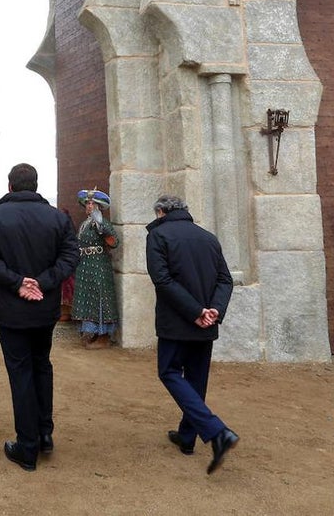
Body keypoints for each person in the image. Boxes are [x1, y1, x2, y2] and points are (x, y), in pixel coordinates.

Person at [0, 163, 79, 472]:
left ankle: (27, 445)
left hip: (11, 309)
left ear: (10, 187)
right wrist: (43, 282)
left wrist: (16, 281)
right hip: (45, 309)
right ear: (35, 186)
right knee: (41, 365)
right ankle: (44, 433)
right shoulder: (57, 218)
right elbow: (70, 256)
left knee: (21, 372)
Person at [145, 194, 238, 475]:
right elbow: (225, 279)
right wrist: (213, 311)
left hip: (178, 321)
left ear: (160, 212)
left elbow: (162, 279)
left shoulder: (158, 235)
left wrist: (196, 311)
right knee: (196, 380)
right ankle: (187, 437)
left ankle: (216, 431)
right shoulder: (208, 237)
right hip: (205, 322)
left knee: (169, 372)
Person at [71, 188, 119, 348]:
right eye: (88, 203)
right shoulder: (85, 223)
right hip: (85, 265)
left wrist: (101, 226)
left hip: (98, 265)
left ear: (98, 206)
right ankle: (91, 332)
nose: (89, 206)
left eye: (92, 203)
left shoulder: (101, 222)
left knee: (99, 297)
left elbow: (115, 241)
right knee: (87, 298)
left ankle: (103, 336)